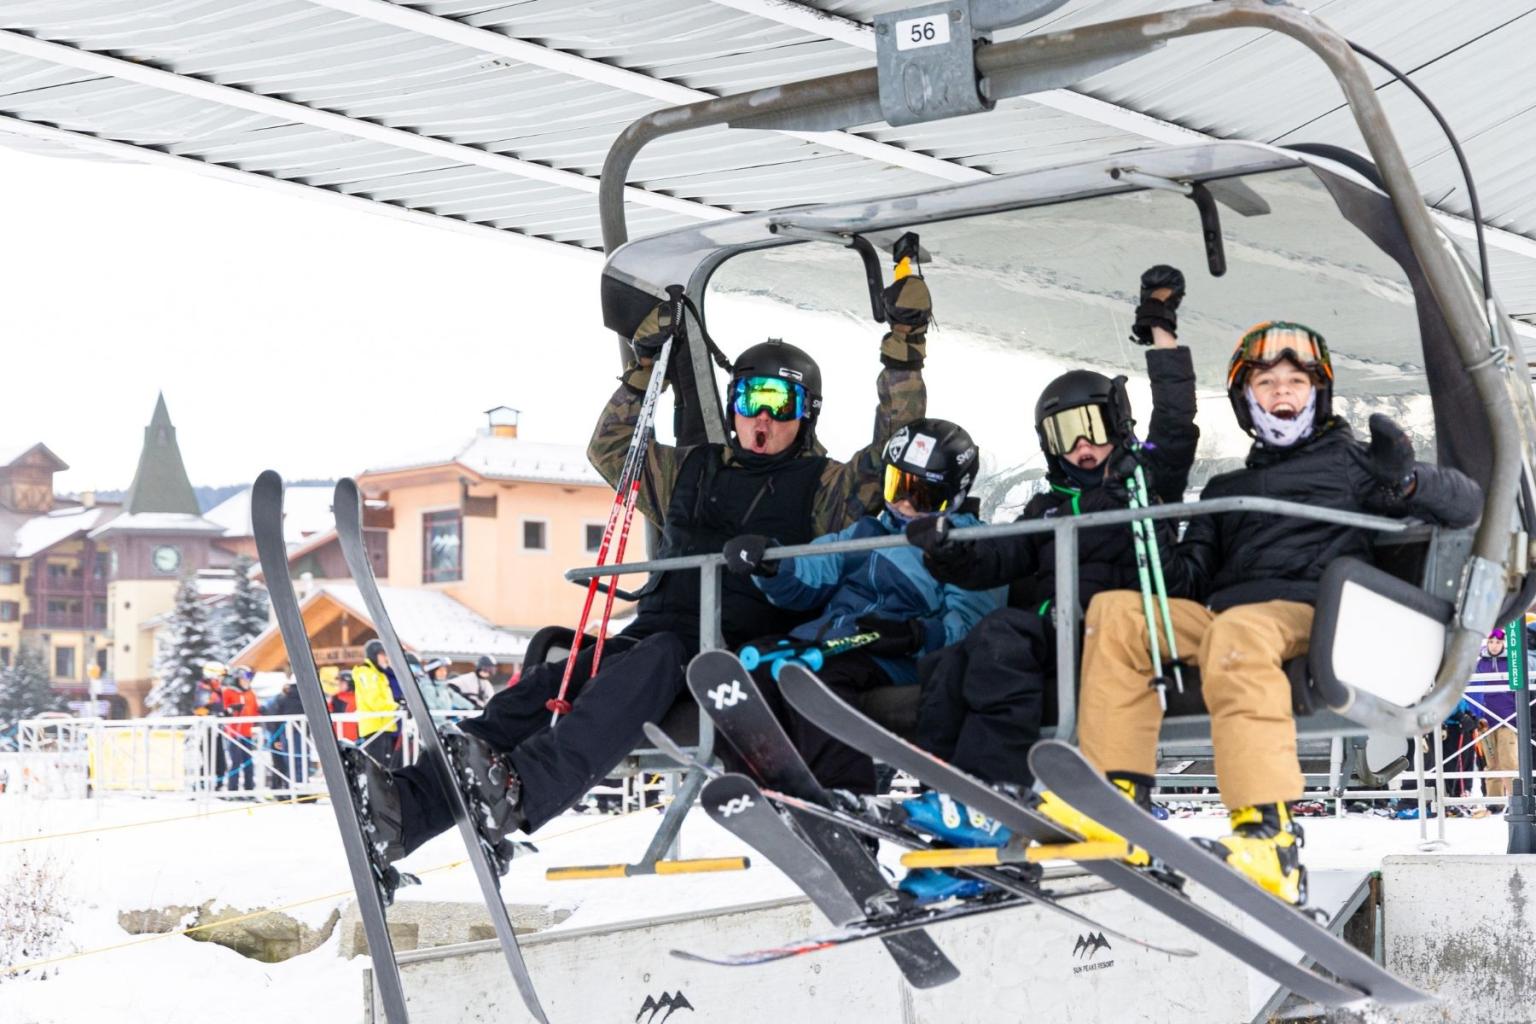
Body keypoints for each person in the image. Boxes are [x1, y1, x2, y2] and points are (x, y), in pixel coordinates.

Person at [340, 275, 933, 884]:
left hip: (735, 650)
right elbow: (612, 446)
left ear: (805, 414)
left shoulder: (826, 488)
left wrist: (903, 348)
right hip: (656, 633)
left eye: (779, 402)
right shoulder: (687, 471)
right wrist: (645, 363)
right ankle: (409, 807)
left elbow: (894, 451)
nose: (761, 416)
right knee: (549, 681)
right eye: (749, 397)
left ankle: (527, 786)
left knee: (658, 655)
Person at [1045, 320, 1482, 905]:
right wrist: (1143, 510)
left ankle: (1267, 835)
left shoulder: (1351, 465)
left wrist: (1406, 481)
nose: (1282, 393)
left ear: (1316, 394)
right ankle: (1118, 800)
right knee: (1119, 614)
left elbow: (1467, 503)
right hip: (1230, 622)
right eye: (1268, 383)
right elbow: (1185, 583)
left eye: (1295, 383)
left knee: (1240, 630)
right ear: (1247, 400)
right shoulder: (1228, 486)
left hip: (1319, 614)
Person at [904, 266, 1197, 796]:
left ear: (1118, 424)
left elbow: (1176, 424)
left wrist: (1161, 331)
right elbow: (996, 560)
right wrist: (945, 550)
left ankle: (993, 789)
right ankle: (942, 793)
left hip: (1114, 631)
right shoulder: (1046, 508)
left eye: (1093, 427)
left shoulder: (1144, 481)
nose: (1082, 445)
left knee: (997, 639)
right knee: (950, 664)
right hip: (1052, 631)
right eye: (1065, 434)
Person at [1472, 629, 1521, 807]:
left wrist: (1518, 713)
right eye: (1491, 642)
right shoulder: (1480, 663)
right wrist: (1476, 715)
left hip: (1508, 719)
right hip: (1486, 721)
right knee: (1491, 764)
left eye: (1498, 642)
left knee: (1509, 763)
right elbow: (1472, 689)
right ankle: (1495, 802)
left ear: (1503, 643)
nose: (1494, 646)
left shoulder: (1512, 661)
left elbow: (1519, 690)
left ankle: (1516, 801)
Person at [353, 640, 402, 769]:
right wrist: (396, 707)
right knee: (377, 767)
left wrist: (398, 704)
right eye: (382, 654)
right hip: (374, 727)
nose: (386, 658)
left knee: (386, 767)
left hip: (385, 725)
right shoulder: (367, 673)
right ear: (374, 655)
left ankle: (385, 789)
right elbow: (373, 701)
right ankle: (376, 789)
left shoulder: (379, 674)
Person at [221, 667, 260, 793]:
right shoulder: (229, 692)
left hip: (247, 733)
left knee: (248, 761)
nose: (246, 682)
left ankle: (250, 789)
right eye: (244, 679)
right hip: (233, 733)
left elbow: (255, 711)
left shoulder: (250, 693)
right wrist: (231, 709)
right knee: (235, 761)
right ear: (238, 679)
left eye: (248, 680)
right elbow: (223, 710)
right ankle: (233, 789)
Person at [194, 662, 229, 790]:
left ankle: (219, 784)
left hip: (217, 729)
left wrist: (226, 712)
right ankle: (200, 786)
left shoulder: (217, 690)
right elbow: (200, 709)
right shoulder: (204, 688)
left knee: (220, 759)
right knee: (208, 758)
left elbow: (219, 707)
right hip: (207, 730)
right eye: (219, 677)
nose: (221, 680)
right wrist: (212, 712)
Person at [266, 680, 305, 790]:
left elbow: (274, 719)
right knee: (301, 761)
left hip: (284, 734)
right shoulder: (305, 697)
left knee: (285, 762)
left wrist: (276, 739)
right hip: (300, 734)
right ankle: (300, 787)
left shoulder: (281, 698)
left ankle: (287, 787)